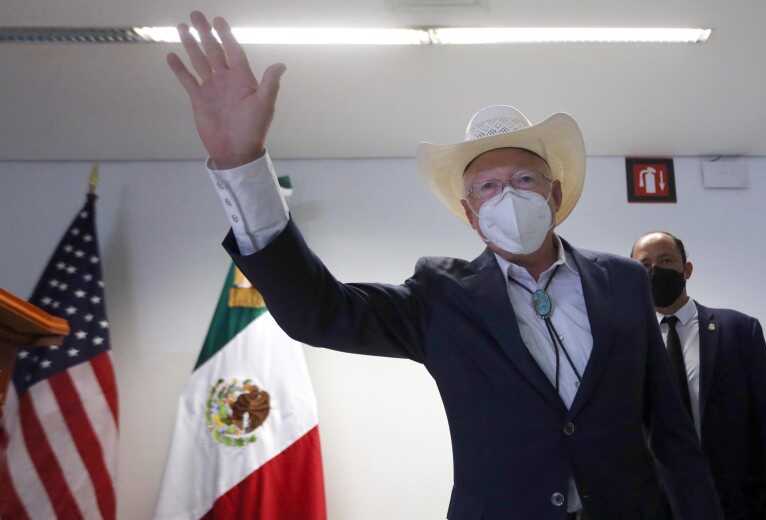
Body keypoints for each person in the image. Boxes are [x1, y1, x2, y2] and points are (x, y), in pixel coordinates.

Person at [167, 12, 722, 519]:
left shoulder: (623, 282)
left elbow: (672, 432)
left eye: (524, 179)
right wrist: (242, 165)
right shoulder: (442, 294)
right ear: (471, 214)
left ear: (554, 194)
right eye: (488, 187)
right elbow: (319, 313)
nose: (508, 195)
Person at [631, 231, 766, 520]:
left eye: (666, 260)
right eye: (644, 265)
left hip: (735, 503)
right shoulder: (625, 344)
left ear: (687, 269)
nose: (655, 271)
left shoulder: (738, 331)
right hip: (659, 505)